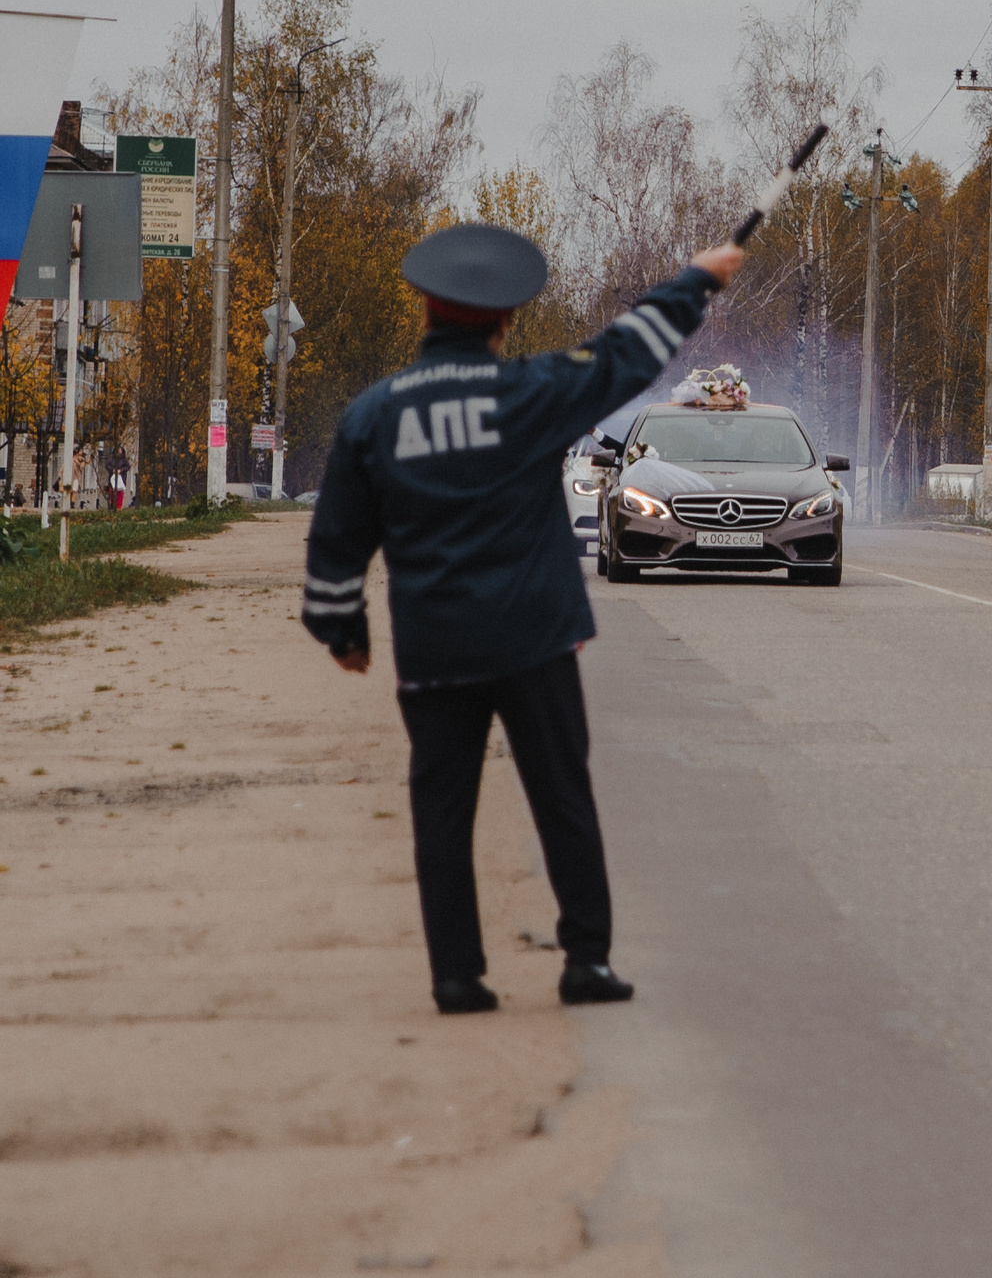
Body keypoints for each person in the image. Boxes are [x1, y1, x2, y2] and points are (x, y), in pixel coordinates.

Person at [300, 223, 745, 1015]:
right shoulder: (530, 393)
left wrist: (344, 630)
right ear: (503, 319)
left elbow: (337, 537)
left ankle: (457, 975)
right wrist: (696, 280)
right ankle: (585, 961)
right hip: (535, 636)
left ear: (427, 310)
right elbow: (623, 355)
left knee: (442, 806)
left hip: (435, 645)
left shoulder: (374, 415)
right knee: (561, 795)